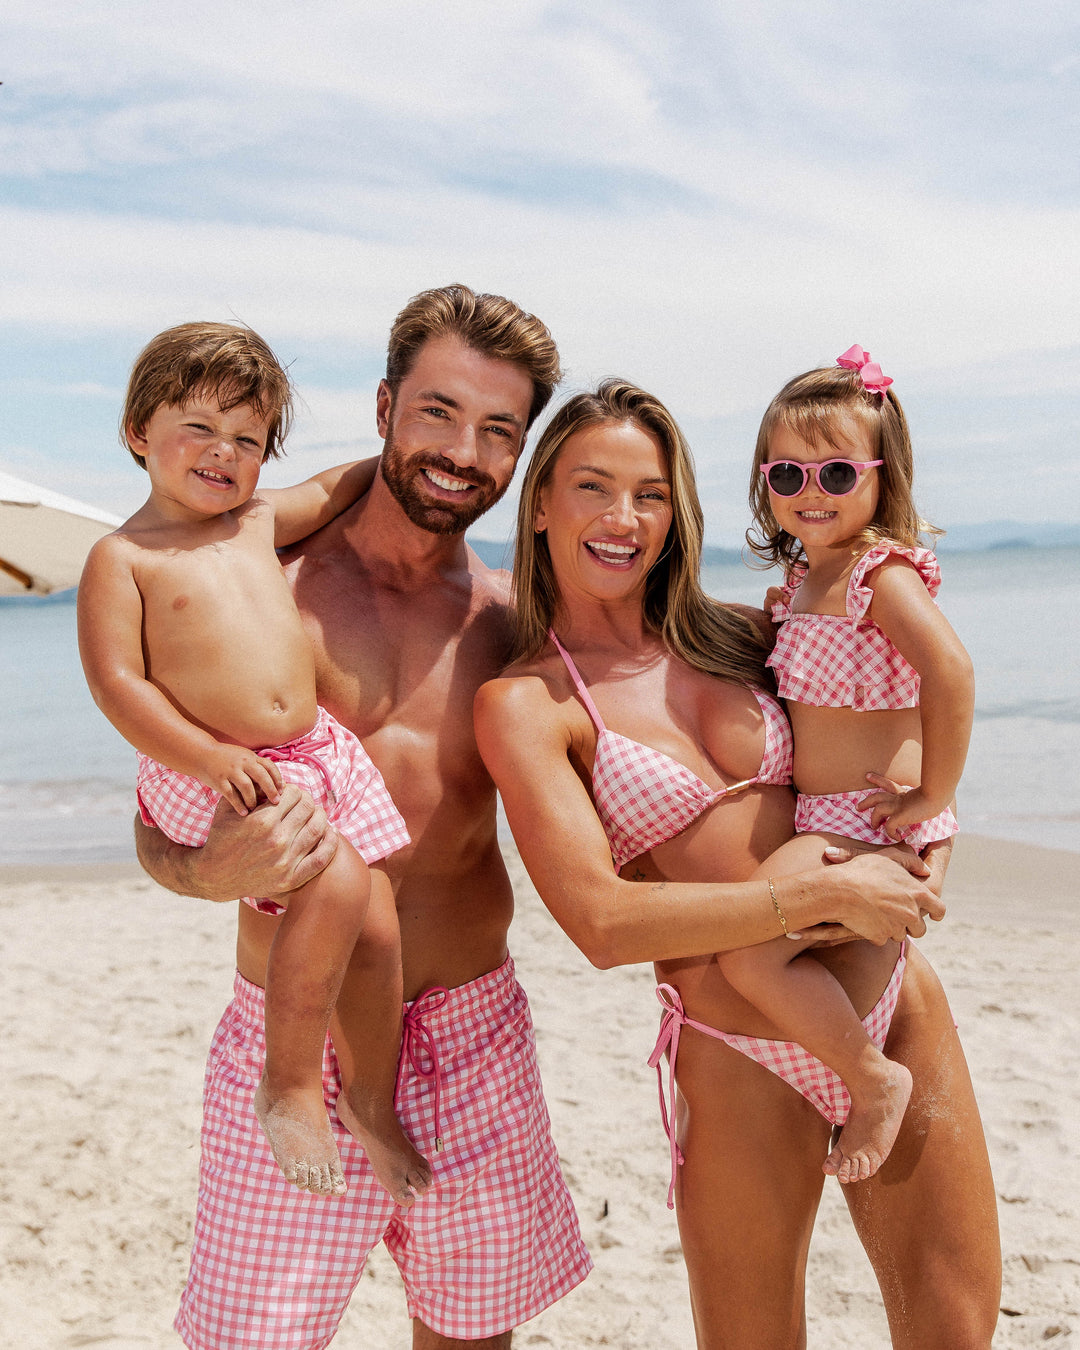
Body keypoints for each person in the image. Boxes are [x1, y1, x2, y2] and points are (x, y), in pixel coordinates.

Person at [473, 379, 1000, 1348]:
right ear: (541, 500)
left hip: (885, 993)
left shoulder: (750, 633)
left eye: (653, 492)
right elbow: (600, 924)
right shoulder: (530, 701)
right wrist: (818, 891)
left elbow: (886, 727)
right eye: (593, 486)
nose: (623, 518)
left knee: (957, 1331)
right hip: (738, 1048)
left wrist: (935, 830)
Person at [134, 288, 592, 1350]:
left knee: (471, 1336)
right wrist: (208, 872)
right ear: (385, 404)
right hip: (291, 1035)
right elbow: (158, 829)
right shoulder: (259, 588)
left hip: (474, 1045)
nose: (463, 451)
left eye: (497, 430)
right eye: (438, 411)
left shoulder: (514, 627)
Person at [78, 321, 428, 1205]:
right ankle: (290, 1081)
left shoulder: (257, 522)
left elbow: (336, 484)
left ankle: (373, 1101)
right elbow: (120, 687)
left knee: (379, 916)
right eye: (198, 427)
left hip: (310, 758)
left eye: (246, 439)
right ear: (136, 433)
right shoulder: (123, 558)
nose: (223, 453)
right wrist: (206, 753)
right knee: (340, 885)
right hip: (212, 771)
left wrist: (402, 448)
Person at [706, 344, 976, 1184]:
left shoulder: (877, 575)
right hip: (830, 824)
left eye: (836, 474)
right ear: (764, 485)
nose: (811, 494)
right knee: (773, 951)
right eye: (787, 477)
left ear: (881, 476)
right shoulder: (796, 588)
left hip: (867, 820)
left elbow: (952, 672)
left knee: (746, 951)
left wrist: (935, 792)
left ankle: (872, 1079)